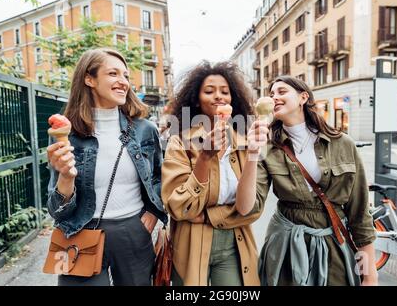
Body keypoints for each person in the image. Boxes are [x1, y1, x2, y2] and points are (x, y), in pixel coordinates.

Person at [236, 75, 378, 286]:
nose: (274, 97)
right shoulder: (267, 147)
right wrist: (252, 153)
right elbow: (246, 207)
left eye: (282, 92)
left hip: (333, 245)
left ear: (303, 97)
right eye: (271, 94)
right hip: (285, 247)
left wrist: (370, 275)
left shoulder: (342, 143)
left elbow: (360, 214)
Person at [46, 48, 167, 286]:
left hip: (133, 231)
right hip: (79, 230)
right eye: (113, 74)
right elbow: (56, 210)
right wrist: (66, 178)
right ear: (89, 79)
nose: (123, 82)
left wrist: (154, 213)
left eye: (126, 76)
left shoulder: (145, 130)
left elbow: (159, 178)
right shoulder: (65, 136)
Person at [161, 61, 262, 286]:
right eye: (209, 91)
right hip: (190, 244)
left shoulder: (247, 142)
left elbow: (254, 208)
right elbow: (178, 207)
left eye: (225, 92)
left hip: (234, 244)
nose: (219, 96)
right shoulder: (180, 141)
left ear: (232, 100)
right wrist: (205, 157)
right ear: (196, 99)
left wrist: (207, 216)